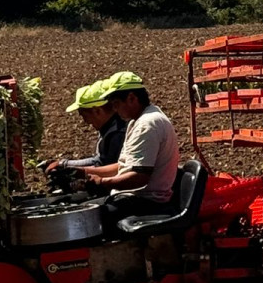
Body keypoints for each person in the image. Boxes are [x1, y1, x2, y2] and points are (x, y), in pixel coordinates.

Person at [75, 71, 180, 230]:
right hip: (134, 197)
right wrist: (81, 172)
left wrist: (102, 183)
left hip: (145, 201)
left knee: (82, 220)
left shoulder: (148, 125)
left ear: (132, 98)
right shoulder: (138, 121)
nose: (115, 110)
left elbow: (139, 177)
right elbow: (123, 166)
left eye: (116, 103)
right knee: (81, 209)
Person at [46, 79, 128, 177]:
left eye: (84, 115)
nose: (86, 121)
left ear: (97, 111)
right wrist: (64, 164)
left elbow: (107, 169)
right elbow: (99, 160)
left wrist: (72, 169)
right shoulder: (109, 128)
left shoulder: (117, 134)